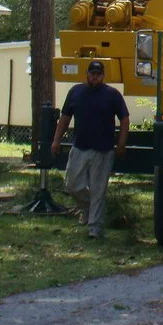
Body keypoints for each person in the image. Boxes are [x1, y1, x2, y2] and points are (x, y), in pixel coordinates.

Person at [51, 60, 130, 239]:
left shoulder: (112, 94)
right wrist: (56, 140)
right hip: (80, 146)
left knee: (98, 189)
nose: (95, 77)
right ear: (87, 74)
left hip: (103, 149)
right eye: (92, 73)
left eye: (98, 74)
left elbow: (124, 119)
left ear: (103, 75)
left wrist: (121, 143)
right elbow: (65, 118)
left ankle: (95, 228)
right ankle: (88, 208)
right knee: (72, 185)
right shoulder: (76, 92)